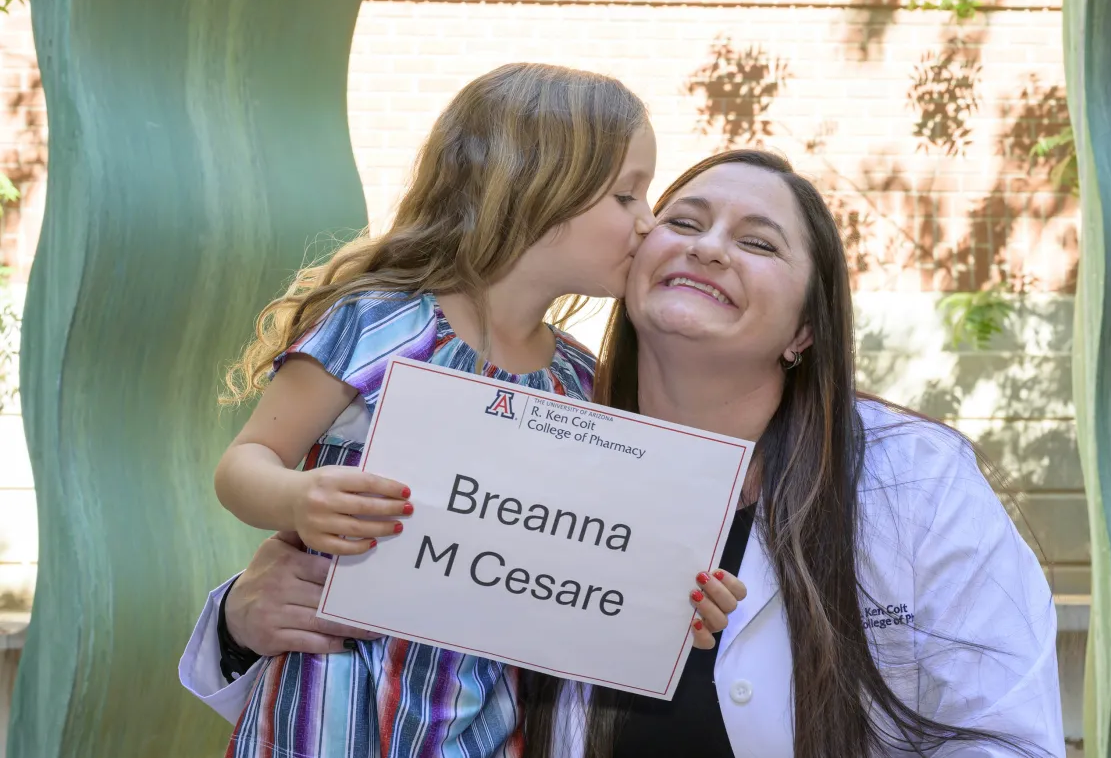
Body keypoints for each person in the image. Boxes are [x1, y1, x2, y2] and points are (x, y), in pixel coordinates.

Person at [183, 150, 1064, 757]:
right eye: (682, 221)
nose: (709, 245)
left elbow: (1008, 733)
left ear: (804, 332)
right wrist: (243, 620)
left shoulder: (915, 481)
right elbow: (393, 665)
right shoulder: (524, 424)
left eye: (758, 242)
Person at [200, 62, 745, 758]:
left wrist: (670, 597)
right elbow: (244, 462)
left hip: (481, 728)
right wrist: (298, 497)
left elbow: (581, 549)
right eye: (626, 196)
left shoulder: (584, 382)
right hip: (329, 710)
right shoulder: (380, 322)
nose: (648, 224)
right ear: (535, 191)